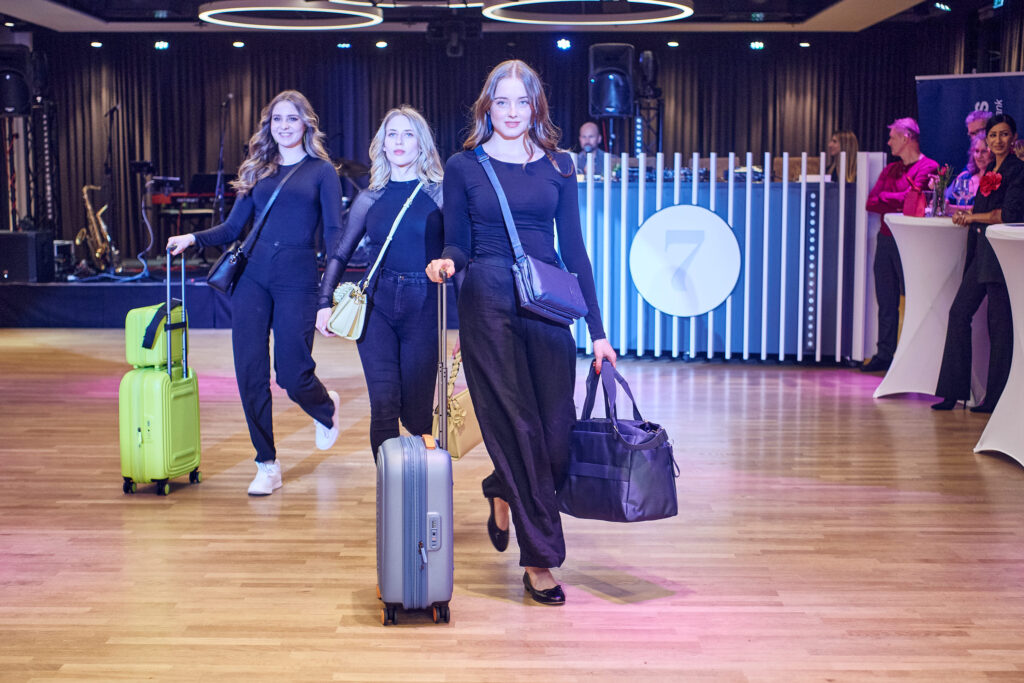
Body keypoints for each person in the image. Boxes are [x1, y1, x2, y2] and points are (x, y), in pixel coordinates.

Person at [425, 60, 616, 606]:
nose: (512, 112)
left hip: (548, 302)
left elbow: (574, 249)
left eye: (522, 101)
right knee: (518, 428)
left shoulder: (560, 164)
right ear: (488, 107)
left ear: (536, 107)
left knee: (556, 434)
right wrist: (447, 261)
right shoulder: (465, 165)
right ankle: (540, 560)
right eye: (502, 102)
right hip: (486, 301)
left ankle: (499, 485)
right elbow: (459, 241)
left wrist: (598, 331)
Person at [167, 90, 343, 496]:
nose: (284, 126)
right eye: (277, 119)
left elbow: (334, 234)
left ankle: (324, 407)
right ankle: (266, 463)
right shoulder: (259, 170)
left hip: (298, 280)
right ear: (269, 125)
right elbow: (233, 228)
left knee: (292, 374)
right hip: (252, 279)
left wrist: (329, 295)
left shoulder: (322, 172)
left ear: (306, 124)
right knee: (250, 372)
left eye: (292, 118)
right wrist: (193, 238)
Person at [314, 106, 444, 458]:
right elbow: (340, 253)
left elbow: (459, 256)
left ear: (421, 144)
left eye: (408, 134)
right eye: (392, 134)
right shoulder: (369, 198)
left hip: (424, 307)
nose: (399, 141)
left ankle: (421, 484)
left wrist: (473, 319)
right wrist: (323, 303)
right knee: (384, 406)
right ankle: (389, 490)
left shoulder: (440, 195)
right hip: (376, 308)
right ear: (382, 144)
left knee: (417, 415)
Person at [932, 114, 1024, 413]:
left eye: (1004, 134)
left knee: (1000, 327)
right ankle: (952, 392)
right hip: (982, 252)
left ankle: (995, 399)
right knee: (959, 313)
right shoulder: (990, 171)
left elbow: (1008, 214)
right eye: (993, 135)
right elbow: (985, 209)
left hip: (1002, 255)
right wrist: (965, 213)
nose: (998, 140)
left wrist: (971, 217)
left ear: (1013, 138)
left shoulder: (1017, 170)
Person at [861, 117, 938, 373]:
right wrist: (897, 199)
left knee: (917, 300)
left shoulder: (929, 166)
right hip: (886, 239)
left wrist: (888, 197)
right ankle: (885, 354)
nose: (888, 142)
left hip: (913, 243)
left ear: (907, 137)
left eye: (893, 137)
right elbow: (871, 202)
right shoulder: (891, 170)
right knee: (886, 299)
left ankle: (916, 356)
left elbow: (914, 201)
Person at [945, 132, 992, 207]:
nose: (979, 156)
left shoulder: (997, 181)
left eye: (984, 151)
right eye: (976, 151)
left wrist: (952, 209)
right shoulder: (965, 177)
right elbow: (946, 198)